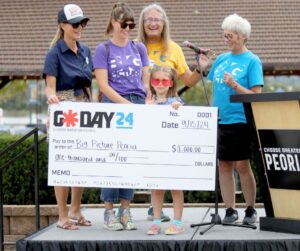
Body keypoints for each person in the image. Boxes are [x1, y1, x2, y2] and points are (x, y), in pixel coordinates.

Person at [137, 3, 202, 222]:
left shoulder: (174, 48)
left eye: (157, 20)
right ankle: (133, 208)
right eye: (149, 20)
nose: (153, 23)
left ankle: (160, 212)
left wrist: (201, 67)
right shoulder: (135, 46)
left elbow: (189, 80)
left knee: (166, 163)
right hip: (142, 107)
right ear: (142, 24)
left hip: (168, 109)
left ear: (164, 23)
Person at [199, 13, 264, 224]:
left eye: (231, 35)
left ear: (244, 36)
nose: (227, 38)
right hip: (219, 120)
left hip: (241, 120)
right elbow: (211, 85)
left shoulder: (252, 61)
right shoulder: (222, 60)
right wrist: (203, 64)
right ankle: (229, 210)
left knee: (242, 165)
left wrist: (235, 85)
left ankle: (251, 209)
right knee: (224, 165)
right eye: (225, 34)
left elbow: (256, 96)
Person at [93, 2, 149, 231]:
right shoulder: (102, 49)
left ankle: (125, 210)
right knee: (112, 157)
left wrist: (144, 98)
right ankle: (108, 211)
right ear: (114, 23)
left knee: (131, 159)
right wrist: (126, 104)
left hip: (137, 102)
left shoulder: (139, 48)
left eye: (131, 25)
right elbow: (103, 85)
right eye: (124, 24)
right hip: (114, 105)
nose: (127, 28)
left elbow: (145, 78)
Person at [43, 4, 93, 230]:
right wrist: (53, 103)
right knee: (63, 162)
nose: (80, 27)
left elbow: (88, 84)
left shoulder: (86, 51)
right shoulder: (54, 52)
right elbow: (50, 88)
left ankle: (75, 208)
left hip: (84, 105)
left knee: (81, 161)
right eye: (75, 24)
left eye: (82, 23)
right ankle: (62, 215)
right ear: (62, 25)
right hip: (64, 107)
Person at [146, 65, 184, 235]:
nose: (160, 83)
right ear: (151, 83)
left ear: (170, 83)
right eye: (156, 80)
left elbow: (184, 121)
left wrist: (178, 109)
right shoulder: (148, 103)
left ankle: (176, 221)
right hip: (154, 152)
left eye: (164, 80)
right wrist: (146, 110)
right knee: (156, 188)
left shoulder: (176, 102)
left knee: (176, 187)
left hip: (173, 153)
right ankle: (156, 220)